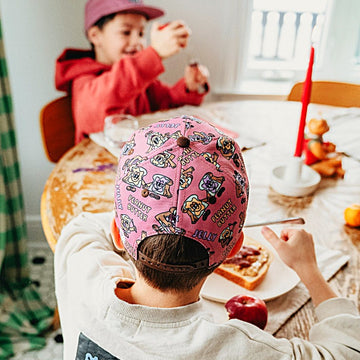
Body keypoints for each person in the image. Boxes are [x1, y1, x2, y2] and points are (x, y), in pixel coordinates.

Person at [54, 116, 360, 360]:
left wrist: (145, 213)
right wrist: (308, 268)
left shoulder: (80, 262)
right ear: (234, 248)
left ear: (118, 232)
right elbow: (347, 350)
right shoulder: (242, 351)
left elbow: (87, 226)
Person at [55, 0, 210, 144]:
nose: (137, 42)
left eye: (141, 33)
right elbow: (100, 105)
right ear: (95, 36)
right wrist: (153, 54)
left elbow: (168, 103)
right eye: (126, 32)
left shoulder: (140, 78)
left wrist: (189, 87)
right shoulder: (84, 78)